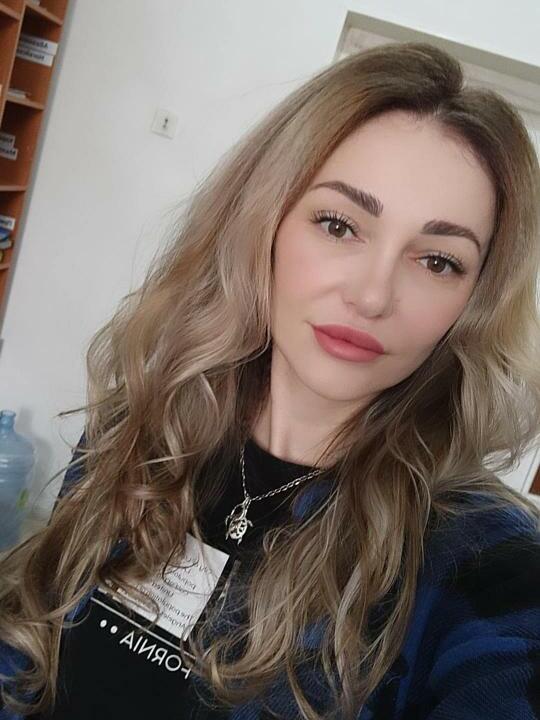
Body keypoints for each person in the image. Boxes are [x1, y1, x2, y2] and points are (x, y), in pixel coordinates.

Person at [1, 40, 539, 720]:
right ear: (264, 224)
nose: (372, 295)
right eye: (339, 225)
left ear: (475, 301)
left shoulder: (485, 565)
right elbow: (32, 653)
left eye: (437, 262)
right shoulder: (142, 430)